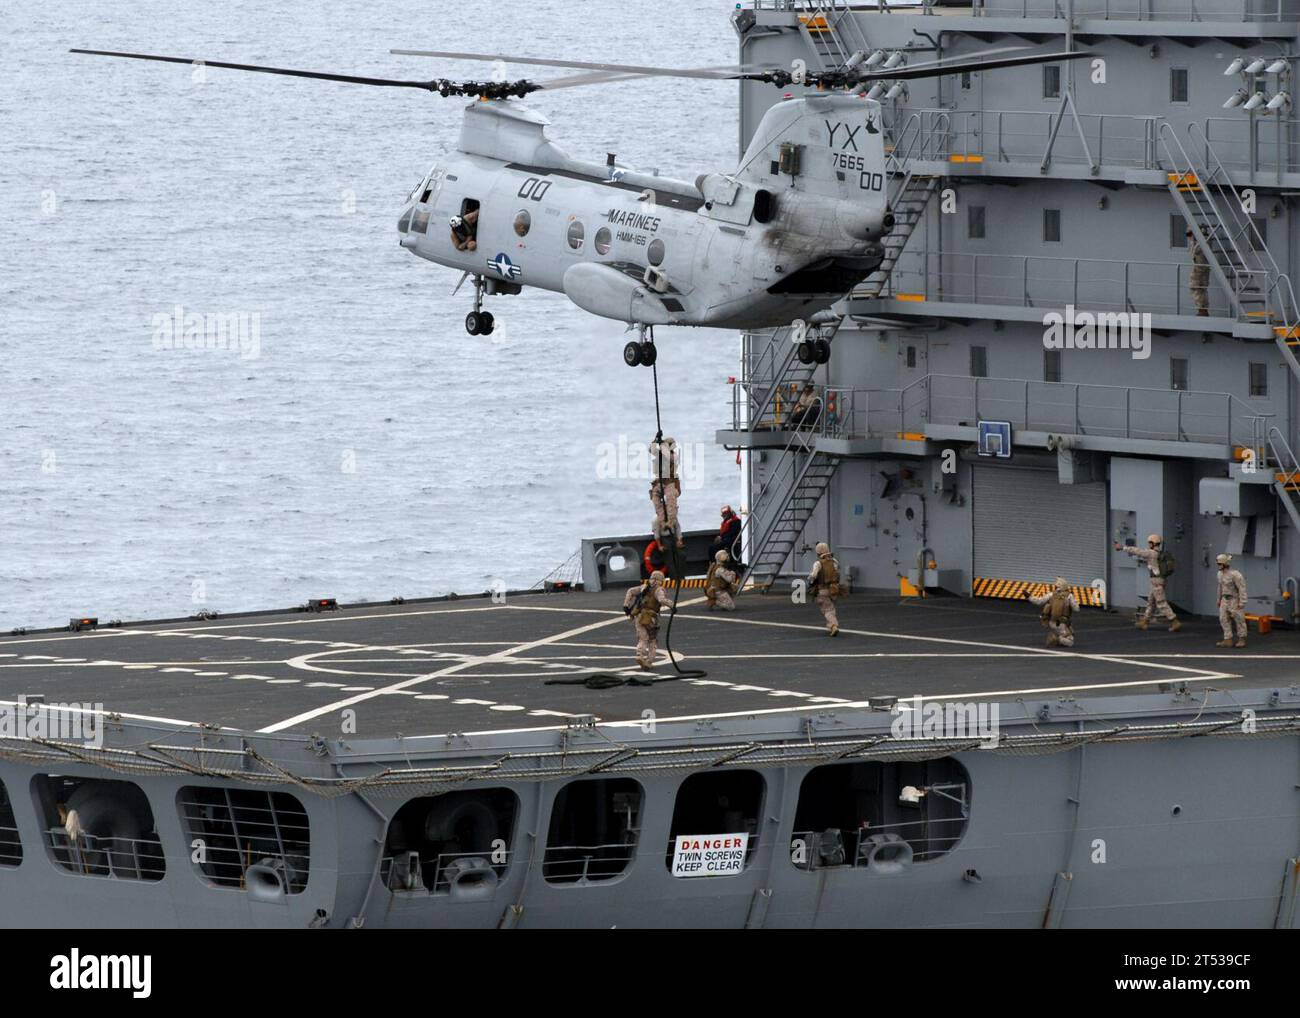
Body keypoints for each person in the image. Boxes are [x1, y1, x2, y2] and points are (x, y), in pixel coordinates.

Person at [1114, 533, 1181, 632]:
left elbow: (1138, 551)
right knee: (1151, 601)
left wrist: (1123, 547)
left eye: (1149, 543)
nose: (1148, 545)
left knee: (1161, 602)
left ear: (1152, 543)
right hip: (1158, 581)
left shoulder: (1151, 553)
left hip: (1156, 581)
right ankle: (1145, 621)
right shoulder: (1159, 553)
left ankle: (1174, 621)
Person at [622, 570, 674, 669]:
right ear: (661, 580)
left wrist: (626, 605)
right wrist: (672, 605)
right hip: (651, 618)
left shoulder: (644, 587)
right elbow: (661, 600)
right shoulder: (659, 589)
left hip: (639, 616)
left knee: (642, 638)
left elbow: (630, 591)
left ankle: (639, 654)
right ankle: (649, 661)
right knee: (652, 640)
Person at [649, 435, 683, 550]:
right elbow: (651, 450)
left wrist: (662, 444)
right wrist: (655, 440)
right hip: (660, 483)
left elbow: (668, 457)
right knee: (656, 499)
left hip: (670, 483)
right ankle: (663, 521)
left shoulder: (673, 455)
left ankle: (671, 522)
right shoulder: (661, 454)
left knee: (671, 501)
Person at [1028, 577, 1078, 647]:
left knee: (1064, 632)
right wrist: (1070, 602)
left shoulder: (1051, 594)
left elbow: (1039, 601)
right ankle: (1057, 639)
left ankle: (1057, 635)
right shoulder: (1069, 596)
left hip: (1051, 622)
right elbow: (1076, 609)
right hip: (1062, 624)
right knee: (1070, 642)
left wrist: (1029, 597)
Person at [807, 541, 841, 636]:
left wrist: (809, 578)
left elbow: (813, 575)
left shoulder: (818, 563)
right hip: (834, 589)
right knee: (831, 608)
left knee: (827, 609)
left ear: (818, 552)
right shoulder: (834, 561)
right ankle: (831, 626)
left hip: (823, 590)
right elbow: (837, 573)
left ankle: (833, 626)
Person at [1215, 553, 1248, 649]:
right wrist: (1218, 599)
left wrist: (1242, 602)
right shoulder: (1219, 574)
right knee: (1223, 618)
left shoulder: (1235, 575)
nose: (1218, 566)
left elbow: (1242, 588)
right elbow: (1220, 587)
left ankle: (1242, 639)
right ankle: (1227, 639)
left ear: (1225, 564)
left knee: (1239, 619)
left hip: (1234, 599)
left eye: (1220, 564)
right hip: (1224, 599)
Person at [1188, 227, 1209, 317]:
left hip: (1200, 270)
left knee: (1197, 288)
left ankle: (1202, 310)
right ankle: (1202, 310)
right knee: (1199, 290)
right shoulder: (1202, 242)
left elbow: (1195, 251)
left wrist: (1192, 236)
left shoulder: (1202, 243)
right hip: (1200, 269)